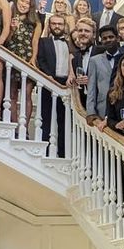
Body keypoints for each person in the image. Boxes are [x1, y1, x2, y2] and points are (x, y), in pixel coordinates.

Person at [36, 14, 72, 156]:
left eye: (60, 24)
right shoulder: (43, 42)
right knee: (46, 118)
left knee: (64, 121)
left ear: (64, 27)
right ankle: (45, 151)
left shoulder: (70, 44)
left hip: (66, 85)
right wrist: (47, 75)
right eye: (54, 24)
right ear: (49, 26)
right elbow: (41, 59)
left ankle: (63, 153)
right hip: (48, 81)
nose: (57, 26)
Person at [4, 0, 41, 125]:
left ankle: (23, 127)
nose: (24, 4)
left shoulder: (35, 22)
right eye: (22, 1)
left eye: (27, 2)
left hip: (27, 59)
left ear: (31, 5)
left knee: (27, 94)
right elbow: (5, 41)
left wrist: (33, 59)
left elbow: (35, 41)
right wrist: (12, 29)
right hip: (12, 58)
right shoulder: (9, 16)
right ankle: (14, 125)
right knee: (12, 94)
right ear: (16, 1)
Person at [85, 25, 123, 118]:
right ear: (101, 41)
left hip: (123, 106)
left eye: (111, 37)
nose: (108, 40)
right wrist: (91, 112)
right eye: (104, 38)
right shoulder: (94, 60)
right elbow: (91, 88)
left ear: (117, 38)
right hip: (103, 109)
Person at [69, 18, 96, 109]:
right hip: (83, 104)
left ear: (94, 35)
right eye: (80, 30)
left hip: (99, 104)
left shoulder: (102, 52)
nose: (83, 33)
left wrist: (91, 81)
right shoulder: (75, 58)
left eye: (87, 31)